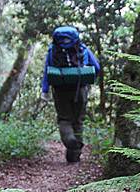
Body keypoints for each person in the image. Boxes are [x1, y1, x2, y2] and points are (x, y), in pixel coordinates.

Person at [41, 26, 100, 163]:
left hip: (60, 90)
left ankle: (69, 140)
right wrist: (88, 79)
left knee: (64, 119)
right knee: (78, 121)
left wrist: (45, 90)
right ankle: (74, 157)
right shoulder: (82, 49)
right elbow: (96, 67)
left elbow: (47, 71)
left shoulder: (53, 50)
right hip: (80, 88)